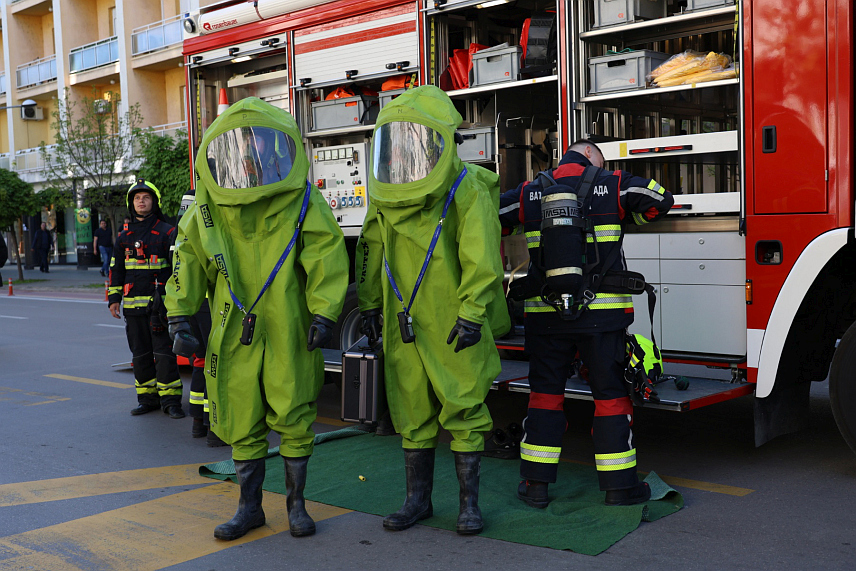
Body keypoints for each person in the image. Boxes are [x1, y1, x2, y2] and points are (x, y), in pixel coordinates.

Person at [165, 97, 348, 541]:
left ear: (275, 147)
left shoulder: (301, 197)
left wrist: (325, 312)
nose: (250, 153)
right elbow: (188, 258)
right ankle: (249, 509)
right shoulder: (209, 205)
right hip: (235, 326)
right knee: (240, 413)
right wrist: (179, 315)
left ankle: (296, 508)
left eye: (258, 142)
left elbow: (325, 253)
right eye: (241, 144)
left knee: (294, 410)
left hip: (288, 323)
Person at [355, 85, 510, 535]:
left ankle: (468, 506)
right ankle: (416, 501)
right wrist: (367, 303)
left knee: (463, 404)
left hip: (452, 317)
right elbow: (369, 249)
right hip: (403, 317)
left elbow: (481, 257)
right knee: (410, 407)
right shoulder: (386, 197)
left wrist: (472, 313)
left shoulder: (467, 187)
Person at [498, 139, 674, 507]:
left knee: (545, 397)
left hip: (546, 319)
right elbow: (661, 201)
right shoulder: (613, 183)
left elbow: (495, 219)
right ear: (594, 156)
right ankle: (619, 488)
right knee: (610, 399)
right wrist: (627, 213)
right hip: (603, 318)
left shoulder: (531, 191)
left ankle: (535, 486)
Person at [109, 180, 184, 419]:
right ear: (132, 204)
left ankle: (171, 402)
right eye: (137, 198)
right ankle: (147, 399)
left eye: (146, 198)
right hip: (133, 308)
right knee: (140, 355)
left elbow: (177, 269)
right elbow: (116, 269)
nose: (141, 202)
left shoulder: (168, 232)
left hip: (160, 308)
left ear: (154, 202)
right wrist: (113, 298)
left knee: (164, 355)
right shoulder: (123, 237)